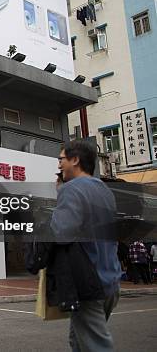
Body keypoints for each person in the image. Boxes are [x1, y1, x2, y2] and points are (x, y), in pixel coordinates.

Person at [50, 140, 121, 352]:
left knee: (96, 346)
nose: (59, 165)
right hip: (111, 280)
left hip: (89, 281)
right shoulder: (104, 190)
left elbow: (60, 233)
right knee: (78, 342)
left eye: (61, 159)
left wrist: (59, 196)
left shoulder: (71, 189)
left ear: (75, 159)